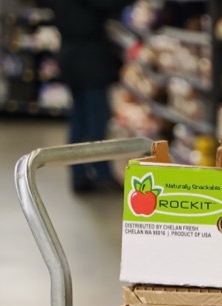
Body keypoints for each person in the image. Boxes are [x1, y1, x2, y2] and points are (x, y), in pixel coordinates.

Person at [54, 0, 131, 193]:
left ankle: (78, 174)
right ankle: (101, 174)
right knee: (97, 116)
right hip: (89, 59)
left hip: (70, 54)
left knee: (79, 117)